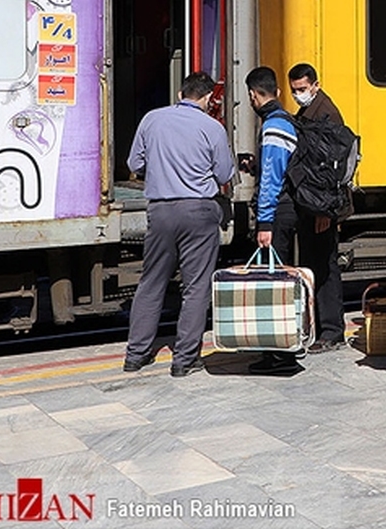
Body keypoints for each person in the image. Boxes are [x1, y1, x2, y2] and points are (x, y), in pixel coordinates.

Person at [123, 72, 235, 378]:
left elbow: (134, 164)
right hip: (199, 211)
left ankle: (135, 355)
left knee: (151, 282)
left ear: (181, 92)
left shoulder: (151, 119)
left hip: (160, 211)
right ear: (209, 98)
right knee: (195, 287)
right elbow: (225, 174)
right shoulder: (212, 128)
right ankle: (184, 360)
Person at [243, 66, 304, 375]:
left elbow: (271, 178)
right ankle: (277, 351)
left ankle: (280, 356)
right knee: (278, 280)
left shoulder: (273, 126)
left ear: (254, 95)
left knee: (274, 283)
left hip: (278, 212)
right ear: (277, 92)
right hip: (287, 209)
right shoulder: (285, 120)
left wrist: (264, 223)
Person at [284, 62, 346, 353]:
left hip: (321, 206)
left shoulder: (325, 114)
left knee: (324, 266)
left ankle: (332, 330)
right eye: (295, 90)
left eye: (303, 89)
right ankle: (323, 327)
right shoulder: (313, 110)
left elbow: (327, 168)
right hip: (313, 204)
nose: (298, 94)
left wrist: (324, 211)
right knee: (315, 263)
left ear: (315, 85)